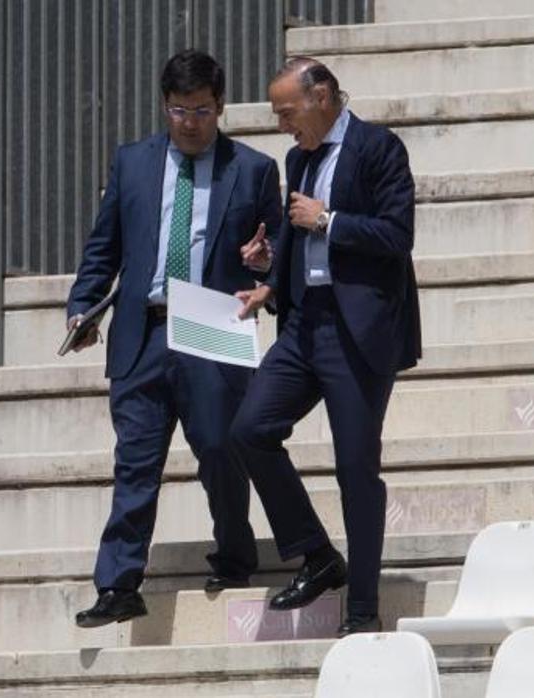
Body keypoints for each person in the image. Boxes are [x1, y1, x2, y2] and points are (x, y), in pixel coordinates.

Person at [65, 49, 282, 628]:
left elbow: (275, 257)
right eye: (180, 110)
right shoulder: (132, 162)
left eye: (203, 111)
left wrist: (265, 263)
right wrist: (82, 306)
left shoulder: (254, 169)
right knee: (135, 461)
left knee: (219, 448)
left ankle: (235, 553)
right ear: (165, 106)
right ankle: (117, 583)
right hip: (144, 333)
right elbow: (103, 246)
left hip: (212, 323)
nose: (191, 122)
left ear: (222, 107)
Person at [232, 57, 421, 637]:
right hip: (303, 324)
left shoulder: (378, 147)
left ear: (321, 97)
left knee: (355, 470)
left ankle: (362, 609)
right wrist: (270, 273)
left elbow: (396, 235)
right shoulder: (299, 157)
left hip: (356, 332)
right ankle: (317, 554)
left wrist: (330, 220)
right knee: (249, 429)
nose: (283, 124)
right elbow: (299, 230)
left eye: (287, 111)